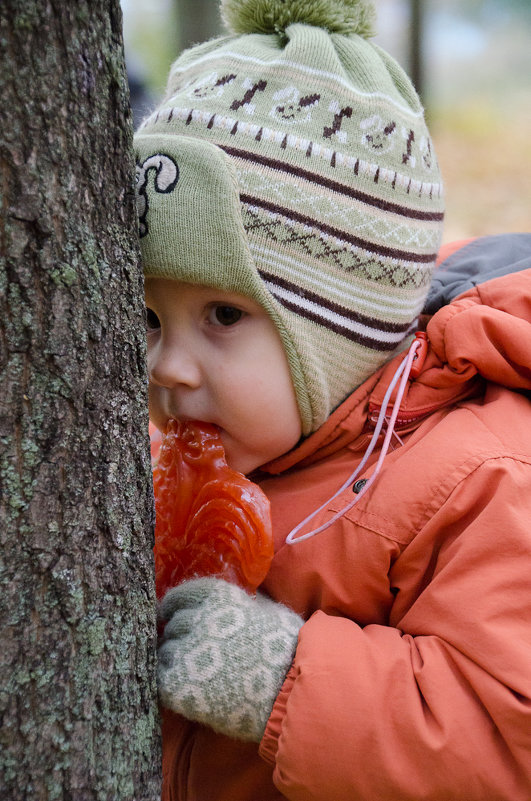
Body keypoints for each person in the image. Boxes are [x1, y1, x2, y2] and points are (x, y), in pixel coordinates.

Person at [134, 0, 531, 798]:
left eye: (223, 315)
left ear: (339, 329)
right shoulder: (185, 446)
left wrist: (279, 679)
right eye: (149, 315)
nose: (168, 365)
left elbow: (503, 738)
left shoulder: (478, 481)